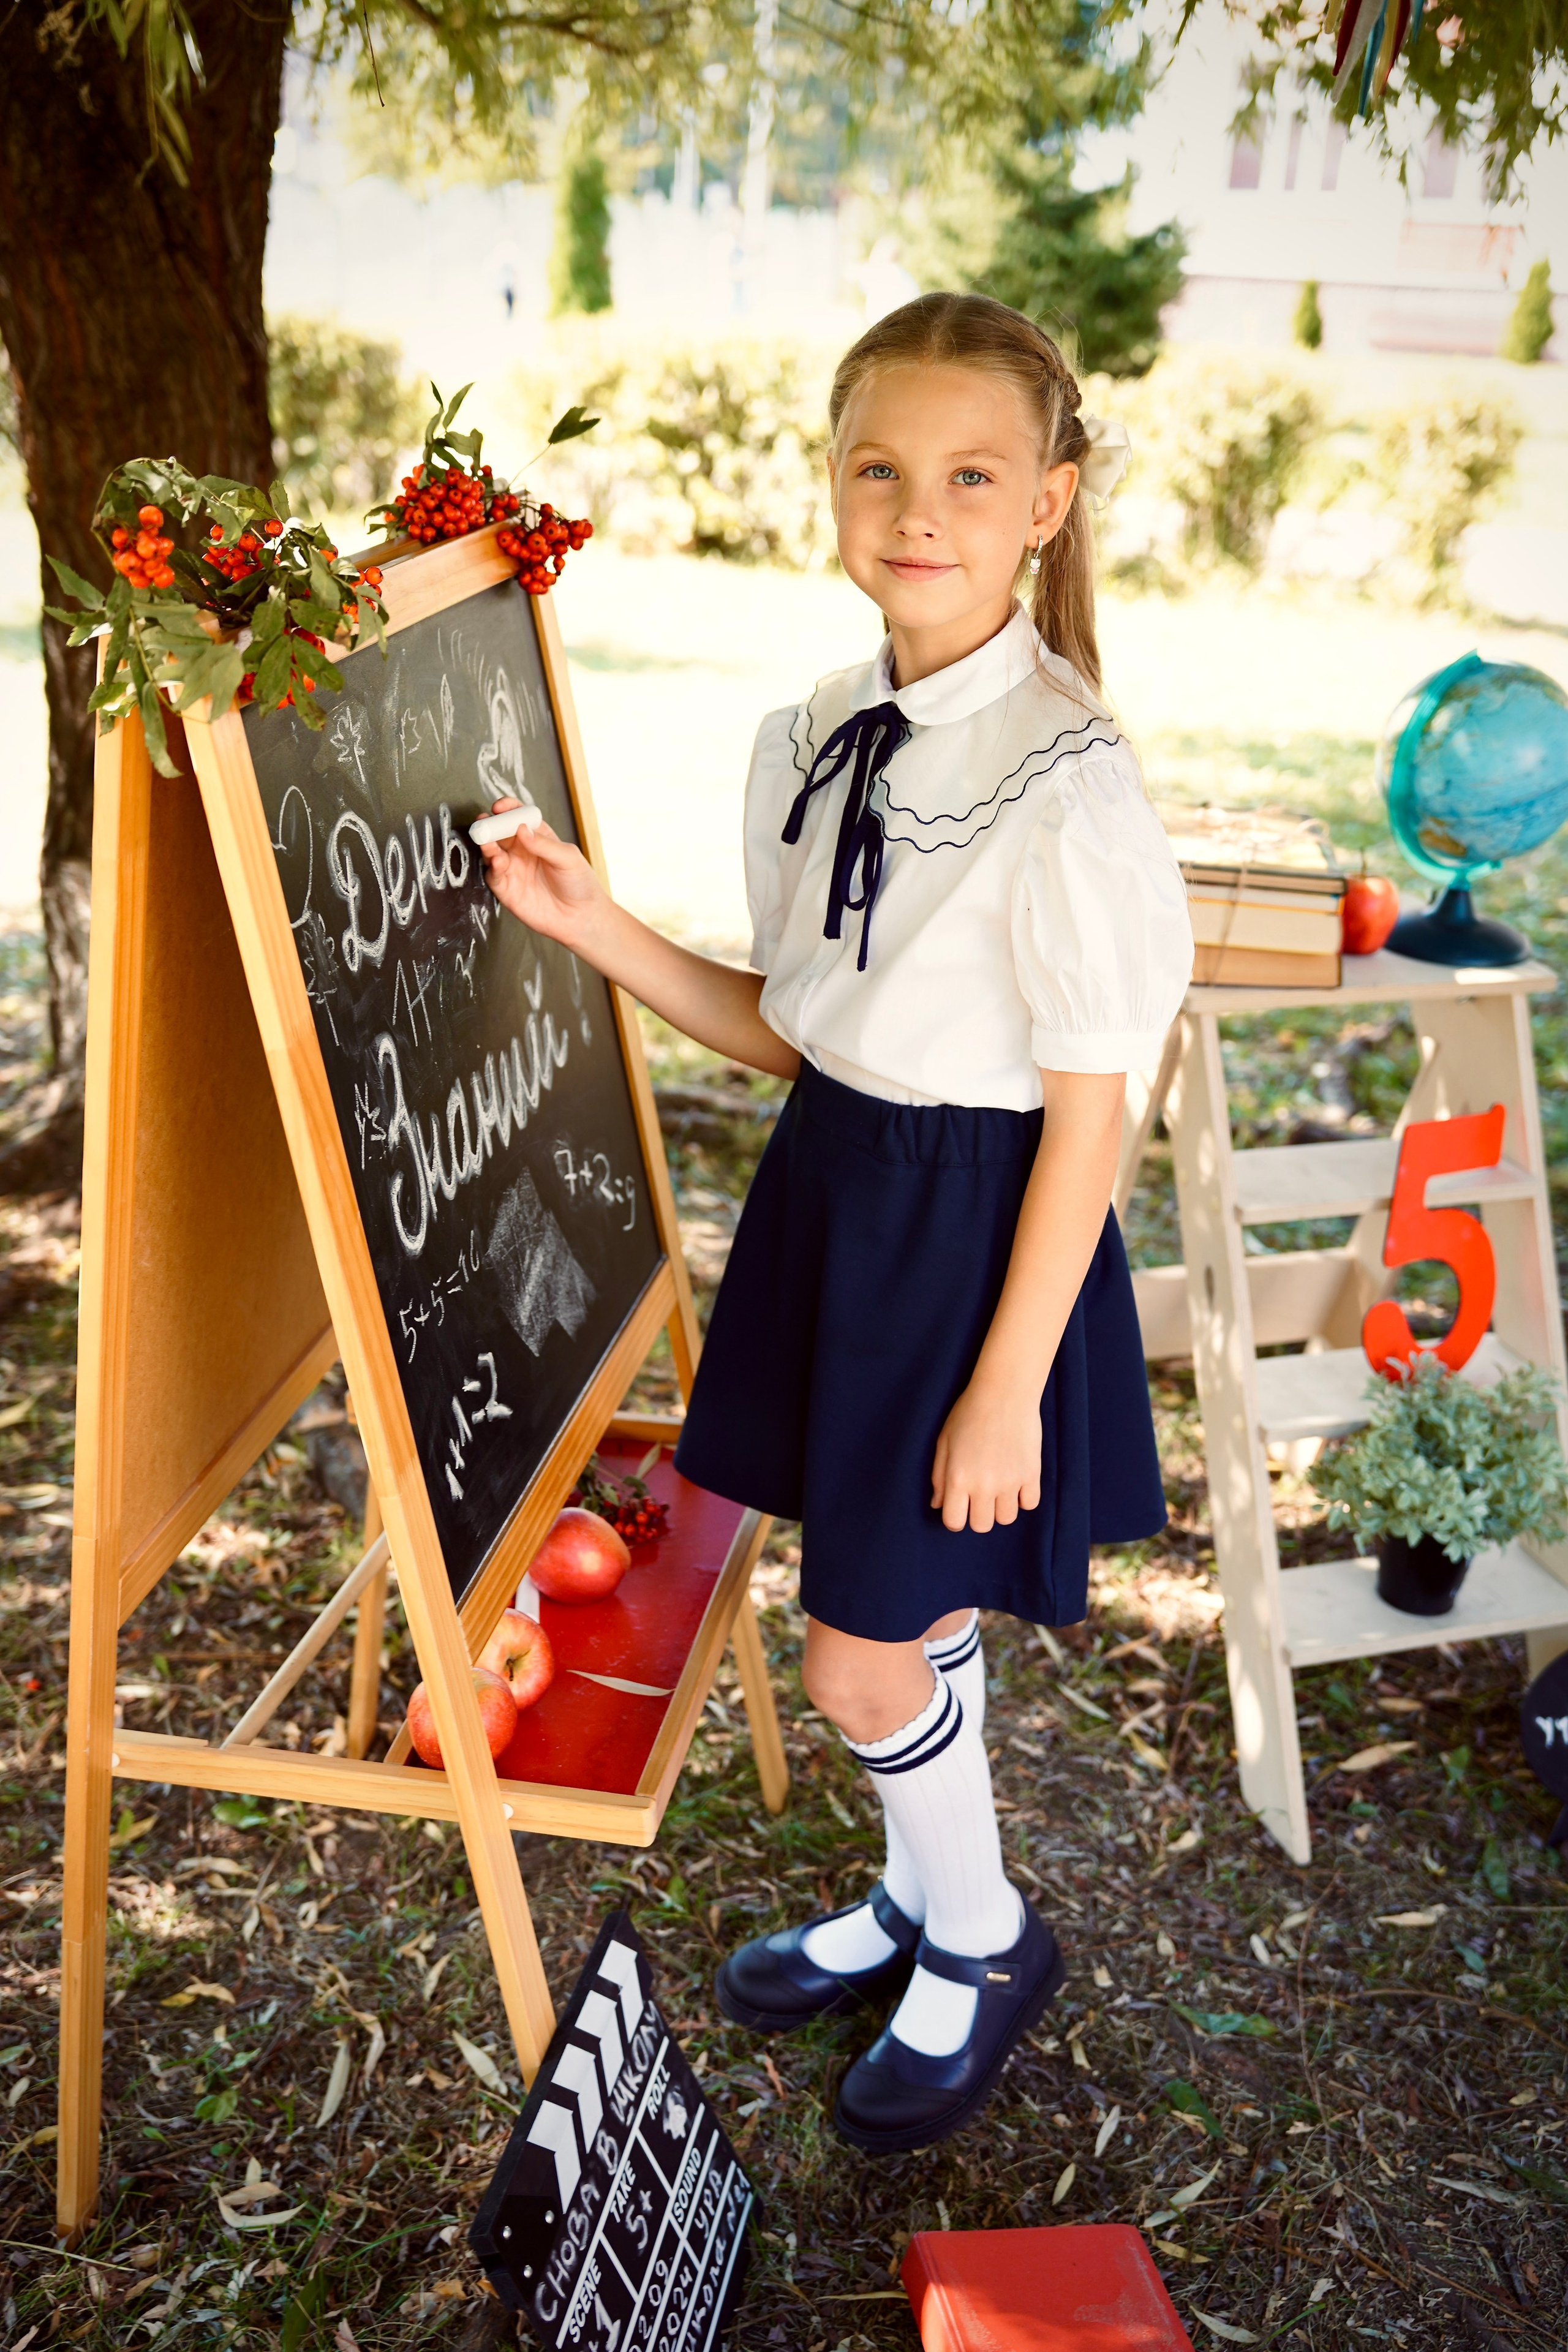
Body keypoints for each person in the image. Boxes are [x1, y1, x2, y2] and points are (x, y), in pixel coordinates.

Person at [479, 291, 1194, 2155]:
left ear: (1047, 504)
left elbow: (1097, 1107)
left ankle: (981, 1935)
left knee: (854, 1651)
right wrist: (593, 925)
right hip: (842, 1201)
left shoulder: (1066, 781)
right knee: (896, 1609)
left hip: (976, 1239)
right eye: (879, 466)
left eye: (971, 474)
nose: (917, 507)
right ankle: (921, 1886)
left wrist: (1009, 1384)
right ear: (830, 483)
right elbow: (797, 1029)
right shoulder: (812, 729)